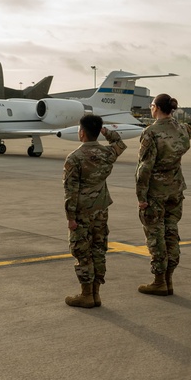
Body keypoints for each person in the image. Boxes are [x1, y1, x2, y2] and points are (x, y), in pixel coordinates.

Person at [63, 114, 126, 307]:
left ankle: (86, 294)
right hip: (101, 209)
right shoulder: (107, 154)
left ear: (81, 132)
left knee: (82, 251)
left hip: (81, 211)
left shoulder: (74, 158)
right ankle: (96, 293)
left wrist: (70, 217)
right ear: (98, 131)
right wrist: (106, 131)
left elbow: (70, 191)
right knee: (98, 249)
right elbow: (120, 143)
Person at [135, 94, 191, 296]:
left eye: (151, 106)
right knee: (171, 232)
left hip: (156, 191)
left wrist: (141, 196)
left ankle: (159, 280)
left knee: (155, 234)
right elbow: (187, 135)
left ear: (157, 108)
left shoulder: (151, 132)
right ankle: (169, 279)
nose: (151, 109)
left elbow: (145, 168)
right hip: (176, 188)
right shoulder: (181, 128)